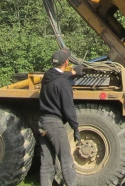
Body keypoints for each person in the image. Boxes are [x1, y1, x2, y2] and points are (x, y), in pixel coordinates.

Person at [39, 48, 81, 186]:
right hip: (55, 125)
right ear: (67, 62)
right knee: (66, 162)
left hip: (43, 123)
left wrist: (73, 73)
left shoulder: (47, 76)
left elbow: (59, 76)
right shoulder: (64, 84)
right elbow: (69, 109)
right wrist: (75, 128)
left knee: (46, 163)